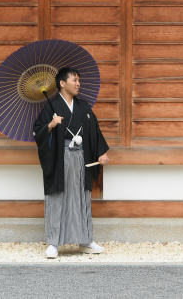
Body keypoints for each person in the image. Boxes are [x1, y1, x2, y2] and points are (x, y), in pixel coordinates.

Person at [32, 66, 110, 259]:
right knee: (58, 195)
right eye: (74, 80)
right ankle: (53, 242)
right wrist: (51, 124)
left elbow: (94, 132)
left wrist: (101, 152)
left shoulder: (83, 107)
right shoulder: (50, 108)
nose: (78, 84)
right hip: (59, 157)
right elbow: (37, 131)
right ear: (62, 83)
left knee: (81, 195)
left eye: (79, 80)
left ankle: (85, 240)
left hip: (81, 156)